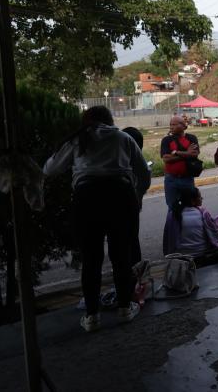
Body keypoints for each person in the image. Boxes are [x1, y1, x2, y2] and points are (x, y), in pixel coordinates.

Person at [44, 106, 150, 332]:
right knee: (121, 254)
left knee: (91, 258)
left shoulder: (78, 140)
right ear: (110, 119)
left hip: (87, 198)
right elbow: (144, 173)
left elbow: (50, 169)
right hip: (121, 197)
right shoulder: (123, 138)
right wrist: (137, 196)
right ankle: (124, 309)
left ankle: (92, 316)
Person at [162, 187, 218, 258]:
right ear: (192, 201)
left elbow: (167, 238)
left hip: (180, 256)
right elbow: (215, 234)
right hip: (201, 254)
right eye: (199, 197)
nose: (202, 198)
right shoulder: (202, 213)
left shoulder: (172, 215)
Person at [121, 126, 151, 274]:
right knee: (132, 240)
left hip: (125, 206)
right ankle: (136, 277)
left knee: (124, 243)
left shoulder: (119, 159)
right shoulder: (135, 160)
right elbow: (145, 179)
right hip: (131, 205)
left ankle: (129, 277)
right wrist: (137, 199)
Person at [160, 116, 200, 211]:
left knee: (190, 206)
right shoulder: (166, 140)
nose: (171, 127)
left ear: (183, 126)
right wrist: (186, 153)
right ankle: (174, 225)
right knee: (172, 207)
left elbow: (194, 154)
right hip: (171, 179)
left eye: (174, 124)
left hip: (187, 178)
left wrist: (175, 152)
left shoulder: (191, 138)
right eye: (170, 125)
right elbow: (166, 159)